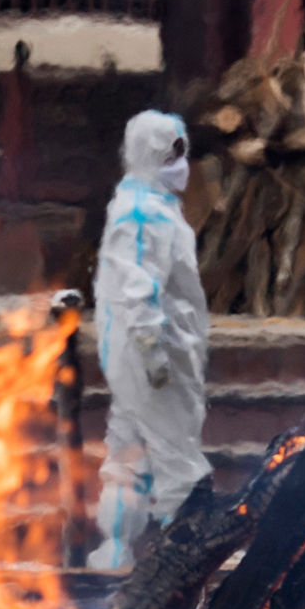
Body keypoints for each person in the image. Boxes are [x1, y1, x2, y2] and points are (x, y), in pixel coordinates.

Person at [88, 110, 212, 569]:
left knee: (127, 451)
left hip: (142, 353)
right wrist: (151, 348)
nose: (182, 164)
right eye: (171, 153)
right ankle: (186, 558)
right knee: (177, 456)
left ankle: (117, 551)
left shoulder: (147, 204)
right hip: (155, 355)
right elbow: (137, 285)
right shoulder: (143, 214)